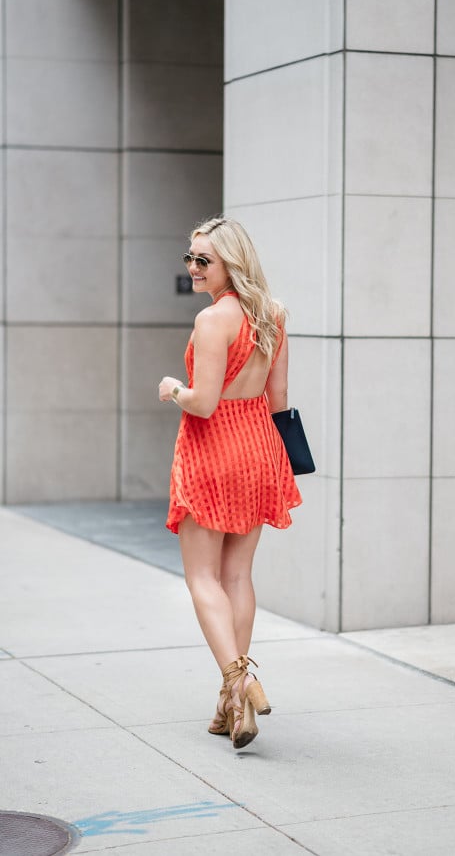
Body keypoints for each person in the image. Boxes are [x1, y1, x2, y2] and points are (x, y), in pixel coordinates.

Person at [158, 216, 301, 750]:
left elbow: (205, 401)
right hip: (260, 446)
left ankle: (240, 679)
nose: (194, 268)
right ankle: (232, 705)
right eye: (190, 259)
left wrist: (174, 388)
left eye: (204, 261)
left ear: (230, 263)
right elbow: (279, 399)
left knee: (202, 579)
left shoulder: (213, 320)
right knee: (237, 576)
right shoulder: (273, 314)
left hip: (214, 447)